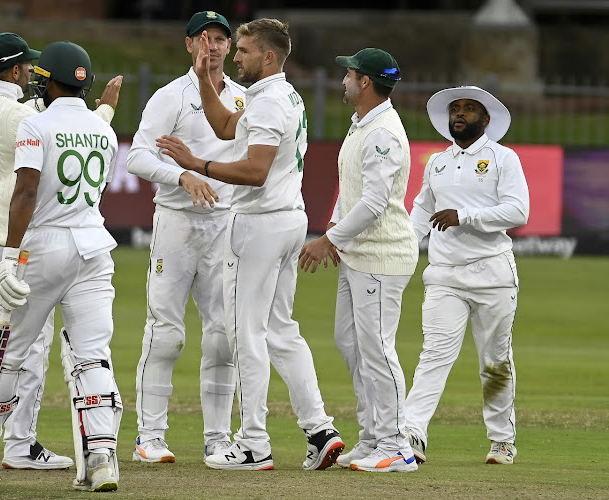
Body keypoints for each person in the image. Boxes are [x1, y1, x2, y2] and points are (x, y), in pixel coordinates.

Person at [157, 17, 344, 471]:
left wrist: (195, 164)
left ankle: (254, 442)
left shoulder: (266, 103)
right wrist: (204, 81)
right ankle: (320, 429)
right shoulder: (282, 95)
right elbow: (225, 126)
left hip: (258, 225)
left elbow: (255, 170)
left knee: (245, 335)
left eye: (241, 51)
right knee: (281, 329)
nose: (233, 57)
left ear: (268, 57)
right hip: (288, 221)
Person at [0, 40, 124, 492]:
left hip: (42, 247)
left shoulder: (35, 126)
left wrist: (7, 258)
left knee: (7, 355)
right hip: (95, 248)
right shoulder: (107, 131)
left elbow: (24, 194)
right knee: (92, 354)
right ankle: (100, 459)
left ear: (47, 80)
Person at [127, 10, 246, 464]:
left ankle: (218, 439)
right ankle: (149, 437)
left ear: (230, 47)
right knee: (166, 333)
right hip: (176, 224)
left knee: (222, 336)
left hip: (224, 226)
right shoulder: (169, 96)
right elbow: (137, 156)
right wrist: (182, 177)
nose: (212, 46)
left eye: (220, 39)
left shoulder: (242, 99)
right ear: (188, 45)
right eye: (203, 38)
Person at [299, 48, 419, 473]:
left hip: (383, 256)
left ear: (365, 82)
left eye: (348, 74)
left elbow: (373, 203)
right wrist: (336, 236)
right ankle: (373, 437)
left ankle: (396, 444)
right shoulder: (362, 125)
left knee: (378, 350)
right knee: (351, 344)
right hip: (359, 254)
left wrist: (326, 239)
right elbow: (351, 191)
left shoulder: (382, 132)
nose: (343, 80)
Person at [404, 85, 529, 465]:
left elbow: (518, 212)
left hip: (493, 274)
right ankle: (411, 433)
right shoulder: (438, 163)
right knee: (434, 355)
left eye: (469, 109)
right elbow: (421, 211)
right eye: (455, 109)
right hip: (444, 275)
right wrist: (405, 248)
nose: (459, 114)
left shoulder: (502, 159)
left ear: (486, 119)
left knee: (494, 362)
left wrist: (466, 216)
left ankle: (502, 440)